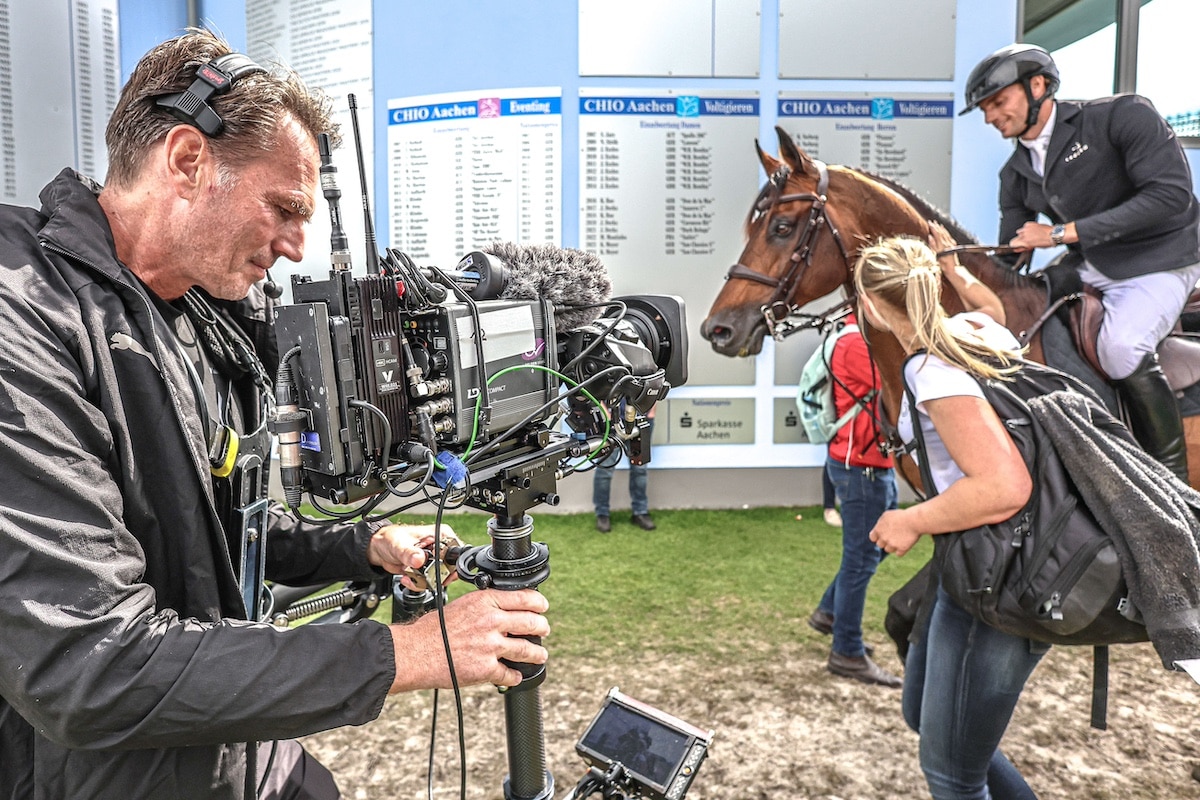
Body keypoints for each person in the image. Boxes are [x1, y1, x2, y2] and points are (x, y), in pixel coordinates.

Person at [0, 30, 549, 800]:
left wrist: (363, 547)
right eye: (284, 209)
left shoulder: (199, 311)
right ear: (188, 161)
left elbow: (214, 530)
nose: (295, 247)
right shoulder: (24, 318)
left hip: (228, 751)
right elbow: (88, 663)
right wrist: (408, 653)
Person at [857, 233, 1044, 799]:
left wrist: (911, 520)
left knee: (952, 775)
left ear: (869, 305)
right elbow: (992, 309)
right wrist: (959, 271)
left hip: (997, 573)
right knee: (924, 718)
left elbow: (1004, 484)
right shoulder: (976, 331)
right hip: (976, 562)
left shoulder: (934, 373)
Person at [961, 42, 1200, 482]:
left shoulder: (1122, 115)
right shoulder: (1014, 174)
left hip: (1163, 260)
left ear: (1037, 86)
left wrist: (1058, 234)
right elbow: (1011, 257)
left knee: (1120, 347)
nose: (991, 116)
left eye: (998, 102)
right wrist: (953, 263)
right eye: (984, 109)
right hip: (1092, 265)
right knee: (1023, 318)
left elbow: (1170, 197)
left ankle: (1173, 480)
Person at [806, 308, 900, 688]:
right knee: (860, 560)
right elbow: (901, 384)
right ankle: (847, 650)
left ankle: (830, 613)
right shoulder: (856, 342)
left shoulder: (855, 336)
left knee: (870, 552)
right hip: (862, 468)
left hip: (871, 464)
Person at [593, 403, 656, 532]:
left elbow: (655, 385)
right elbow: (597, 390)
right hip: (612, 422)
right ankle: (602, 514)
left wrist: (651, 411)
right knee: (605, 470)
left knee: (640, 470)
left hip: (641, 420)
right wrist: (606, 415)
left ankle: (640, 512)